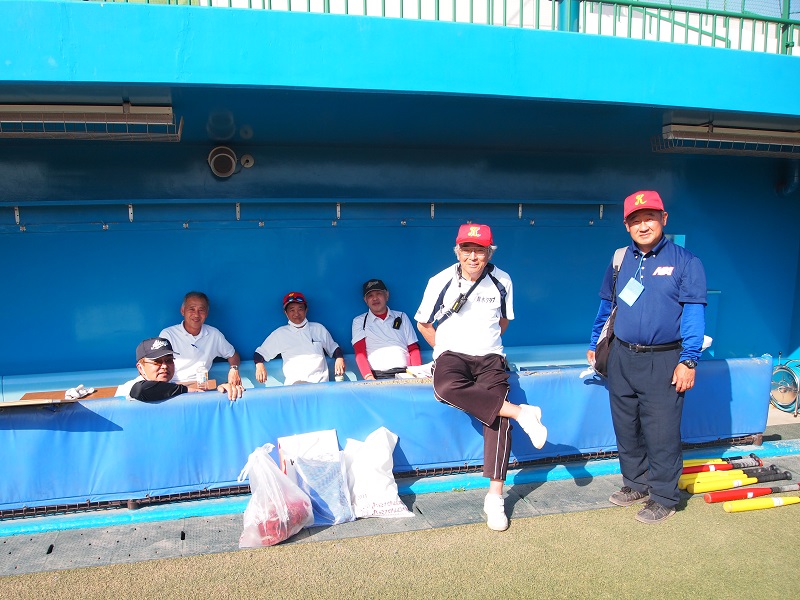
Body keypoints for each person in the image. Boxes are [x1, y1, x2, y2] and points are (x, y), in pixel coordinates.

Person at [415, 223, 548, 532]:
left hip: (490, 357)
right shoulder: (439, 280)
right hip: (452, 355)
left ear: (490, 252)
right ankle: (522, 412)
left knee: (498, 420)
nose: (473, 257)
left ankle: (495, 497)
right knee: (444, 387)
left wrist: (484, 344)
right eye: (467, 250)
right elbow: (423, 323)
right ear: (457, 251)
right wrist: (444, 349)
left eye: (480, 250)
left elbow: (503, 321)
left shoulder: (503, 280)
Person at [587, 190, 707, 524]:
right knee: (626, 426)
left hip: (664, 360)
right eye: (635, 220)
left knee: (661, 432)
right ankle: (636, 484)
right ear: (627, 225)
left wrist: (689, 360)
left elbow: (694, 314)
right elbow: (606, 306)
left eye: (650, 218)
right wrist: (595, 342)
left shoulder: (687, 262)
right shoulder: (619, 259)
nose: (643, 226)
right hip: (622, 356)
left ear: (663, 219)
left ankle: (665, 497)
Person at [159, 291, 242, 401]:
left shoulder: (213, 334)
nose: (196, 314)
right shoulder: (168, 334)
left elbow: (233, 355)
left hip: (202, 390)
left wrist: (234, 369)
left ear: (206, 313)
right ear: (182, 311)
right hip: (174, 390)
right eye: (192, 309)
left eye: (201, 310)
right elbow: (158, 368)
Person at [254, 292, 346, 386]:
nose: (296, 313)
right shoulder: (280, 334)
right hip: (294, 387)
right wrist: (259, 366)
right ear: (286, 313)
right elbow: (260, 353)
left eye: (300, 309)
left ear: (306, 310)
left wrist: (339, 359)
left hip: (320, 386)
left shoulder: (318, 329)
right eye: (292, 310)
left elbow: (334, 348)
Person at [115, 337, 244, 401]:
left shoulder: (171, 386)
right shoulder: (128, 388)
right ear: (141, 367)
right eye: (157, 362)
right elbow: (141, 390)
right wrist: (185, 390)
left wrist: (222, 390)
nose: (164, 366)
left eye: (169, 360)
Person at [352, 279, 422, 380]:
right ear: (365, 300)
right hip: (377, 376)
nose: (375, 298)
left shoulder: (402, 316)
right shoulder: (359, 321)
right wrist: (369, 378)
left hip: (406, 374)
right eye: (370, 296)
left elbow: (413, 348)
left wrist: (417, 375)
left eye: (379, 294)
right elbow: (360, 352)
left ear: (387, 295)